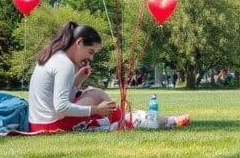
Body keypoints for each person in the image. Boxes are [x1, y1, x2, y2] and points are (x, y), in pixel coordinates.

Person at [28, 22, 190, 132]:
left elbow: (57, 102)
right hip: (51, 126)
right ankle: (160, 121)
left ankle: (148, 119)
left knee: (95, 94)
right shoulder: (64, 64)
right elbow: (61, 107)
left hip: (39, 124)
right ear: (79, 43)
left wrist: (77, 81)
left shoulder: (53, 56)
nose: (90, 58)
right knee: (100, 102)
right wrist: (96, 109)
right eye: (90, 52)